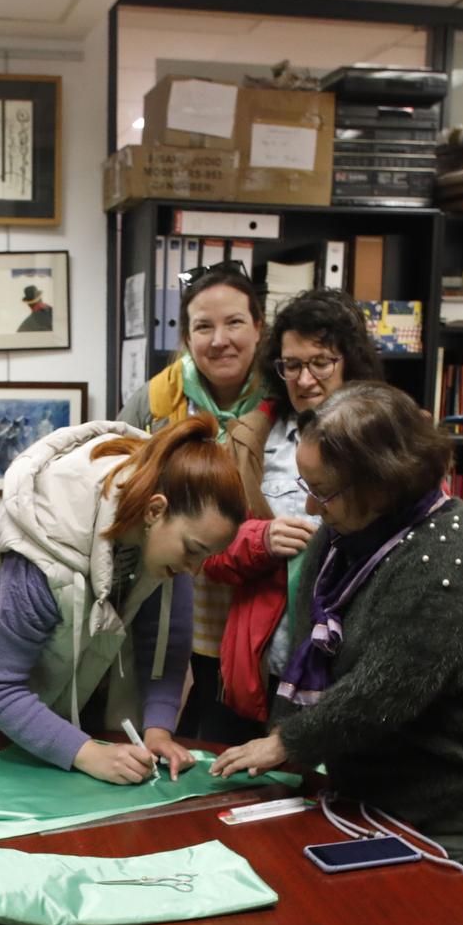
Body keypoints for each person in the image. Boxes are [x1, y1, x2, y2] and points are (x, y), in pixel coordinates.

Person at [212, 383, 463, 910]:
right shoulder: (344, 532)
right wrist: (289, 733)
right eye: (308, 485)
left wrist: (288, 743)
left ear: (384, 483)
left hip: (458, 792)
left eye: (326, 491)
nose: (313, 506)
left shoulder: (453, 561)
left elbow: (384, 689)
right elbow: (311, 639)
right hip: (376, 775)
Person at [0, 416, 246, 784]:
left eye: (205, 558)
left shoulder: (168, 540)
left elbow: (165, 646)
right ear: (155, 510)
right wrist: (87, 753)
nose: (193, 569)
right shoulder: (43, 547)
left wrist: (158, 729)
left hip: (46, 720)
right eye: (193, 551)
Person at [203, 288, 387, 726]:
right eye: (292, 365)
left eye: (321, 362)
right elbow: (208, 554)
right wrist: (259, 539)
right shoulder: (251, 441)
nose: (305, 380)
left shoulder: (390, 439)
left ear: (351, 361)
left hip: (355, 668)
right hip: (268, 669)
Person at [122, 262, 278, 742]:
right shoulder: (156, 401)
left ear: (258, 327)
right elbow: (123, 492)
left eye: (234, 322)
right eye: (203, 327)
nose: (219, 339)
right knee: (179, 732)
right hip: (174, 604)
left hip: (263, 607)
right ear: (187, 338)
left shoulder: (288, 398)